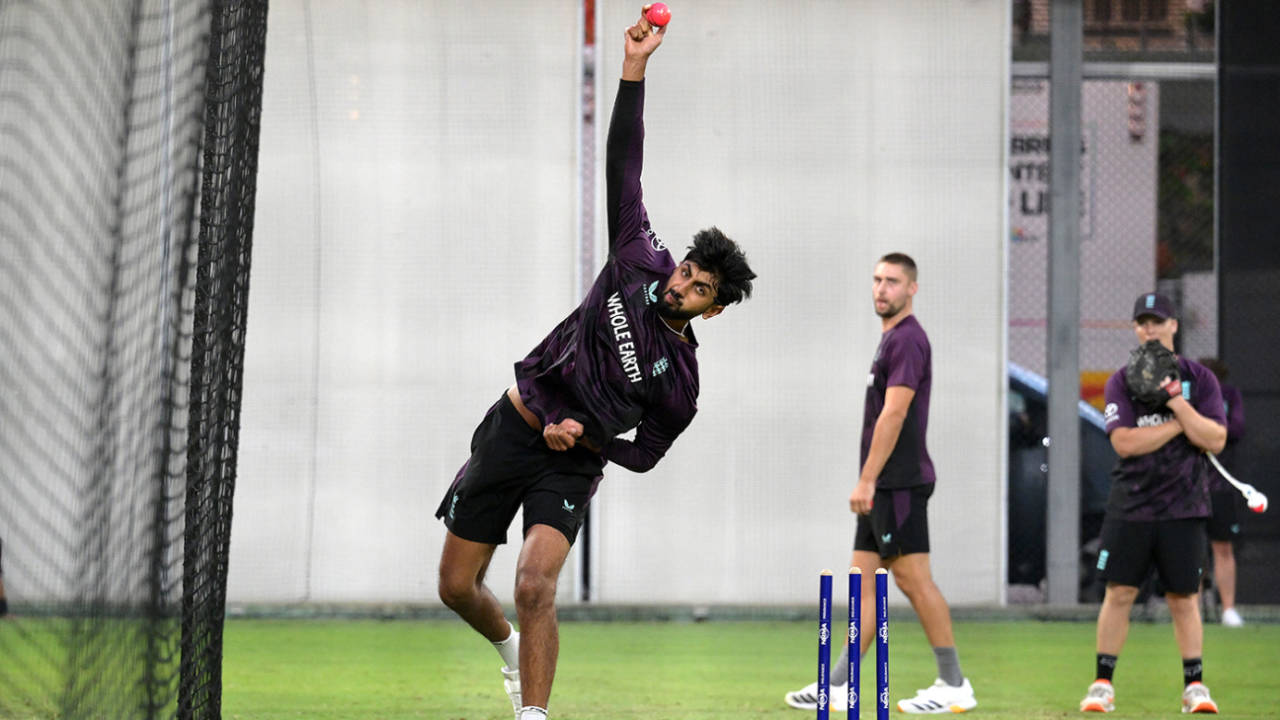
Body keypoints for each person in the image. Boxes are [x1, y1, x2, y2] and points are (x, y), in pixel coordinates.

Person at [433, 10, 756, 720]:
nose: (683, 285)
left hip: (569, 463)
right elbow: (624, 162)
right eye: (689, 272)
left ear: (715, 309)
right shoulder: (639, 256)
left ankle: (534, 714)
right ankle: (509, 650)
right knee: (457, 586)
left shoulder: (681, 384)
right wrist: (633, 69)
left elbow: (645, 456)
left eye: (700, 288)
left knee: (533, 582)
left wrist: (585, 441)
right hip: (514, 426)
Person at [785, 253, 978, 715]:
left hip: (900, 484)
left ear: (911, 289)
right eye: (876, 279)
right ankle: (837, 683)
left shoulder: (908, 340)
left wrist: (867, 480)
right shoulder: (889, 340)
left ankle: (954, 684)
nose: (881, 289)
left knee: (914, 580)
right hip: (884, 487)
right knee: (863, 583)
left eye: (892, 281)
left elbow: (895, 413)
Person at [1080, 293, 1226, 714]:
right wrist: (1185, 424)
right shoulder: (1121, 381)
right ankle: (1102, 685)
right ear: (1135, 329)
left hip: (1184, 506)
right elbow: (1125, 443)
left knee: (1184, 598)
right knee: (1120, 592)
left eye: (1158, 321)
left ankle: (1195, 688)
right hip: (1132, 504)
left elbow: (1215, 438)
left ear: (1174, 326)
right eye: (1142, 323)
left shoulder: (1200, 379)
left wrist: (1176, 401)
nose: (1150, 329)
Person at [1197, 357, 1247, 627]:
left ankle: (1228, 608)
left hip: (1221, 486)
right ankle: (1190, 607)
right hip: (1189, 487)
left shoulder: (1230, 396)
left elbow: (1236, 428)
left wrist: (1210, 430)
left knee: (1223, 547)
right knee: (1191, 549)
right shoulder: (1188, 399)